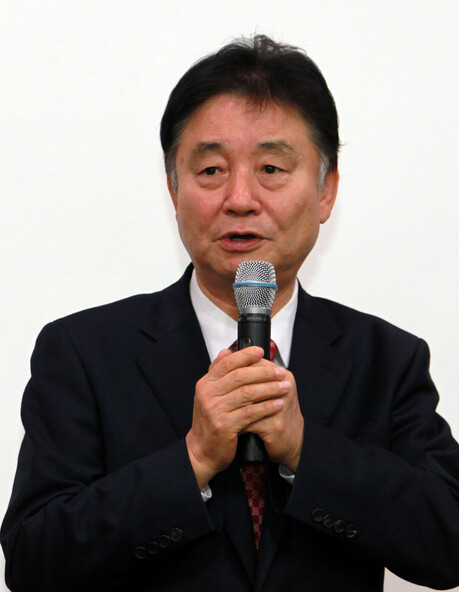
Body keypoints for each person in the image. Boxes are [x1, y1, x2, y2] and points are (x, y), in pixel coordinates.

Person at [2, 35, 459, 592]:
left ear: (326, 191)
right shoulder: (82, 353)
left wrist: (305, 450)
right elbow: (32, 562)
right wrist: (192, 458)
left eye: (271, 167)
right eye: (212, 170)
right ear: (174, 188)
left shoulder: (387, 360)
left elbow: (448, 543)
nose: (240, 198)